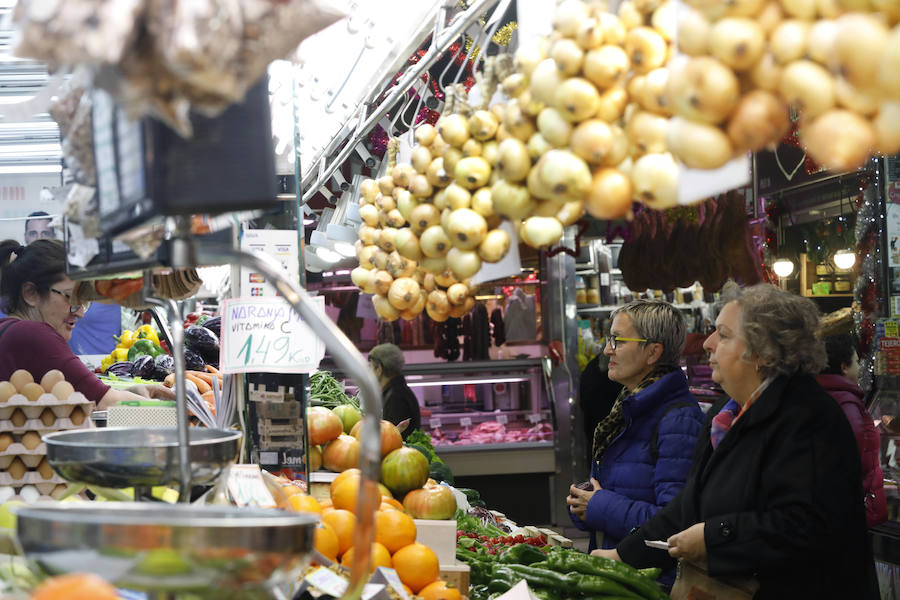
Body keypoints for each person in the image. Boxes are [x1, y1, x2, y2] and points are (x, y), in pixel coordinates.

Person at [600, 284, 879, 598]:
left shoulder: (808, 419)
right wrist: (623, 557)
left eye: (723, 334)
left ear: (762, 352)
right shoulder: (726, 413)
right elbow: (688, 505)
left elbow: (805, 525)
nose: (707, 343)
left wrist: (712, 537)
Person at [567, 300, 704, 578]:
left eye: (617, 341)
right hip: (619, 574)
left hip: (651, 582)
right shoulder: (627, 407)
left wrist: (598, 505)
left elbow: (676, 524)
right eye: (609, 340)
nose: (607, 350)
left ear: (653, 352)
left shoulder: (679, 420)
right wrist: (581, 502)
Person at [0, 239, 173, 410]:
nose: (80, 312)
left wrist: (131, 391)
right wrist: (178, 410)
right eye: (70, 297)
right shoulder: (34, 335)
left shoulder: (11, 331)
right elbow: (106, 403)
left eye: (83, 302)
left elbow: (91, 398)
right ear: (30, 293)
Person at [816, 333, 887, 528]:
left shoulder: (815, 396)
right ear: (844, 367)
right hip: (852, 512)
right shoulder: (847, 404)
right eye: (856, 361)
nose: (859, 367)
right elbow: (851, 459)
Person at [368, 343, 421, 439]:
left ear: (379, 369)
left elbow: (392, 438)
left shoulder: (395, 397)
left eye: (370, 367)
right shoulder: (398, 391)